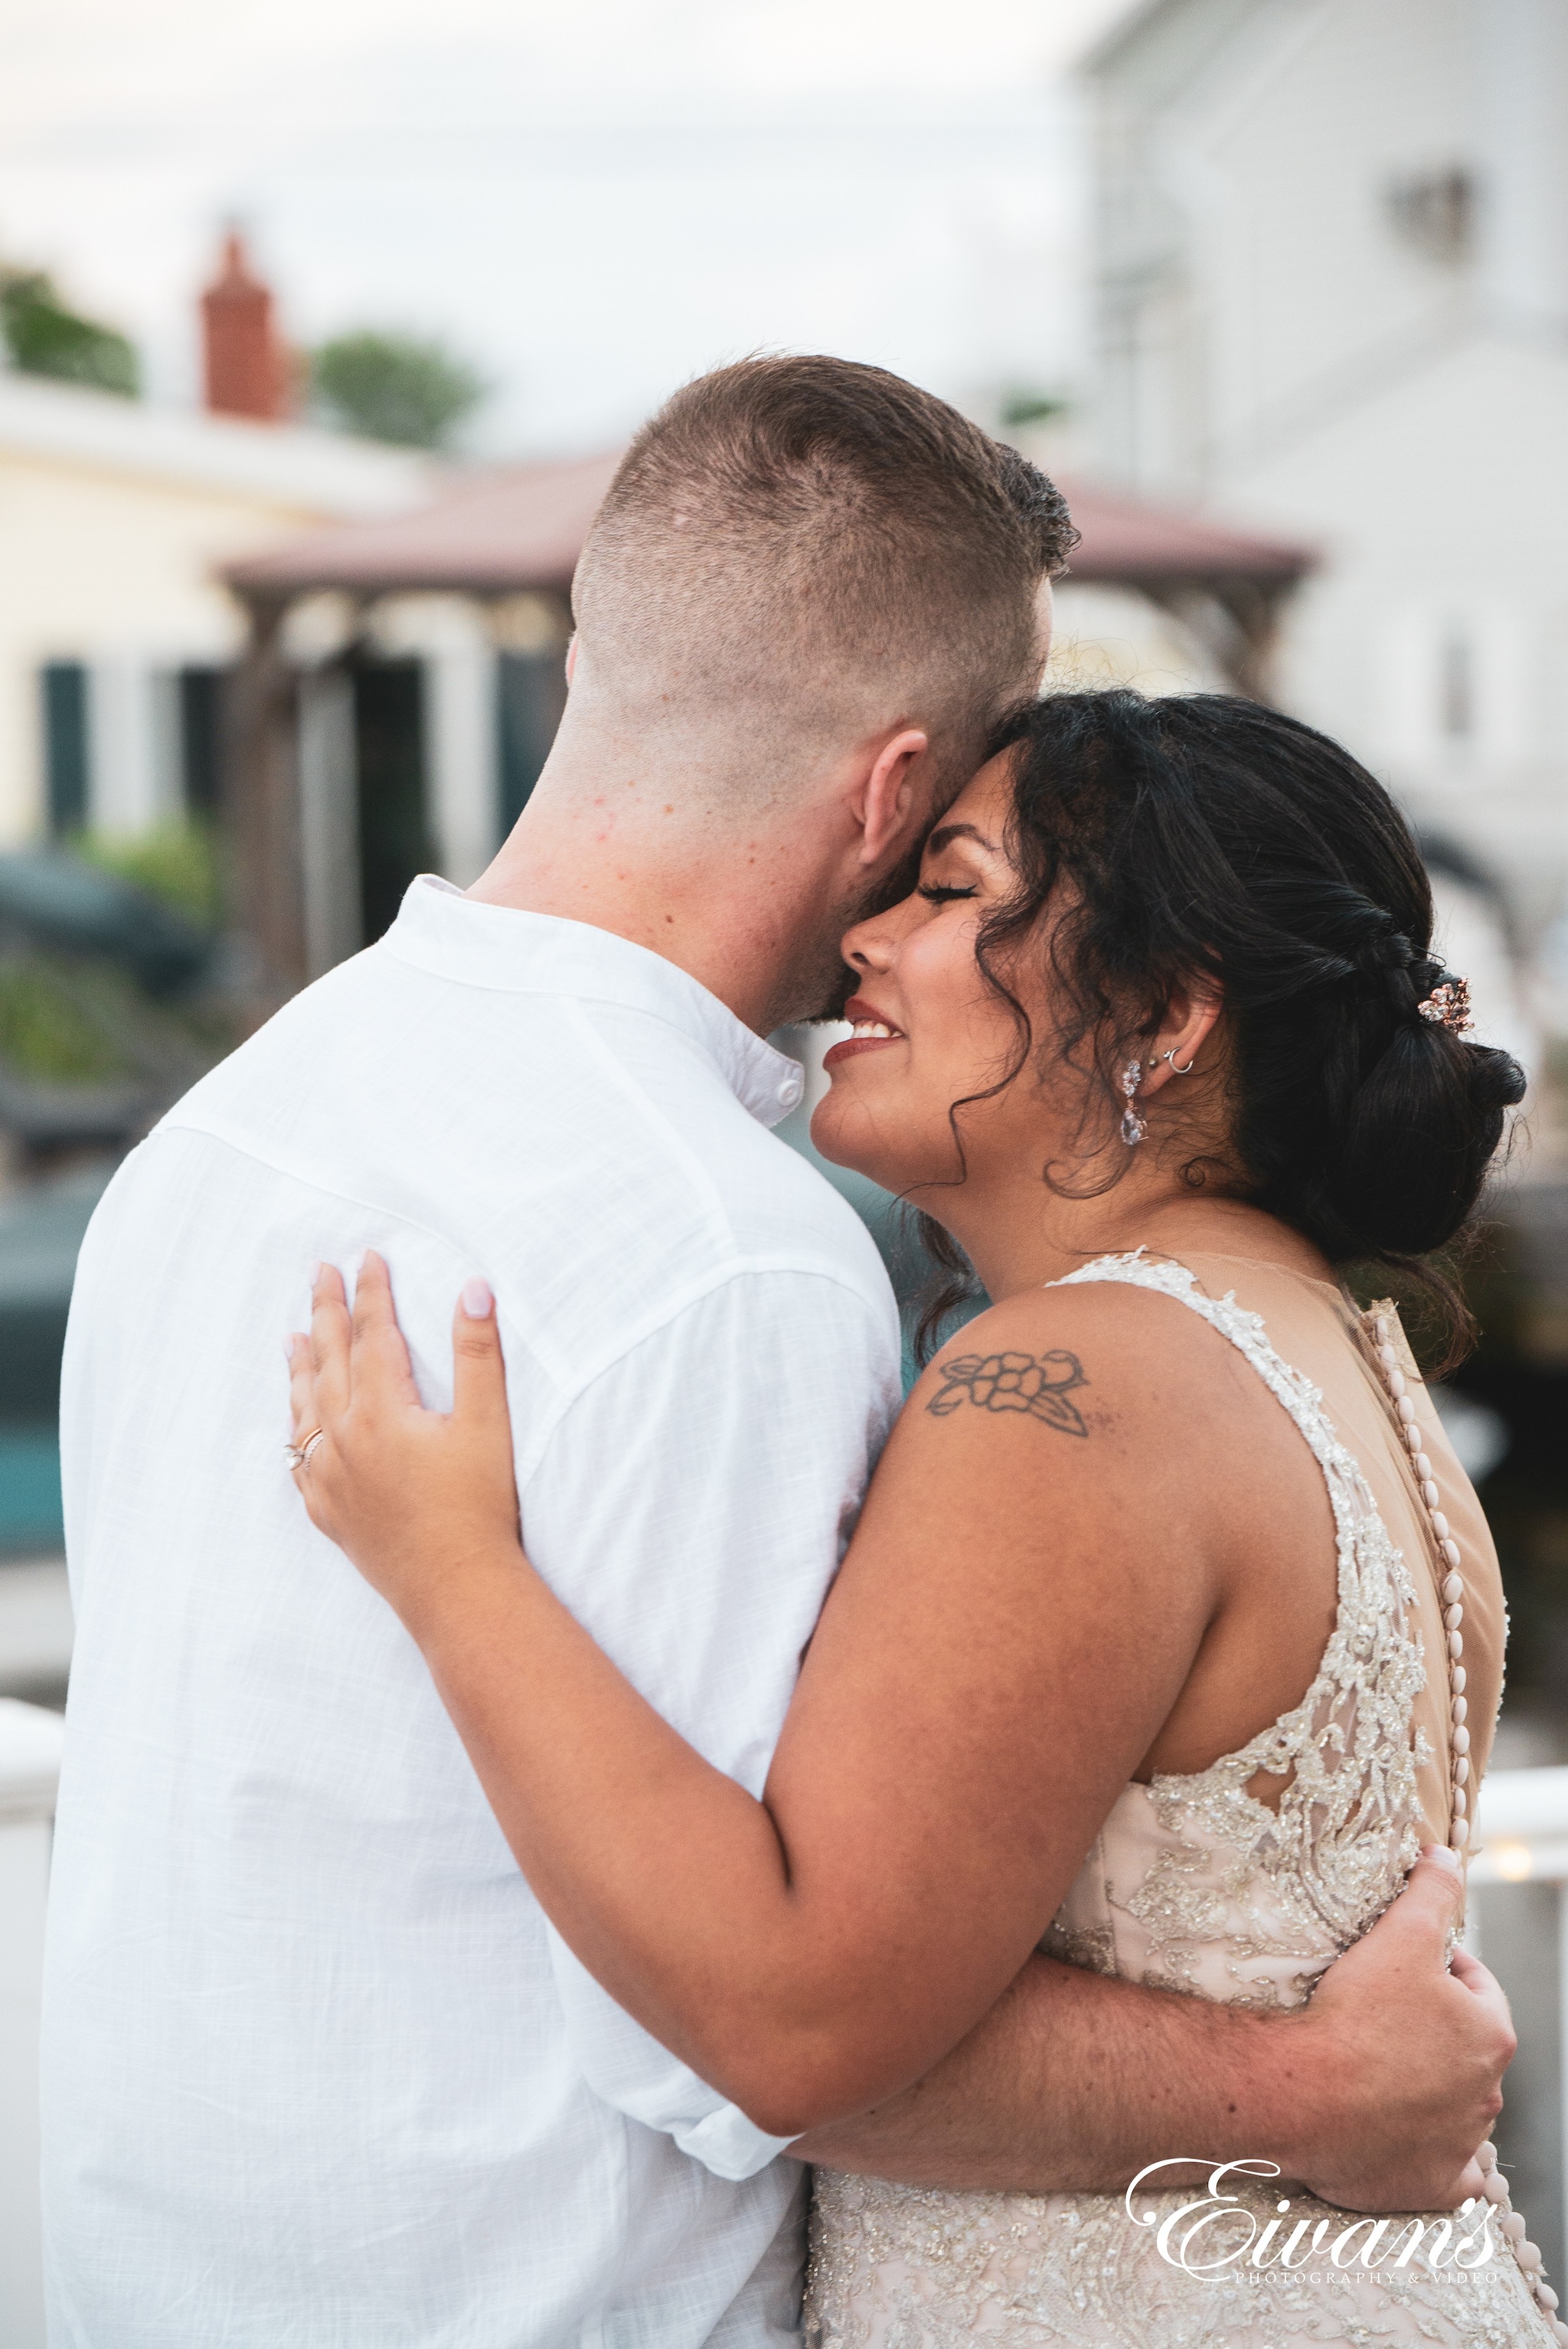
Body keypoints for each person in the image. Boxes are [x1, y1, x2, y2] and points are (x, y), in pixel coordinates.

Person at [43, 357, 1509, 2349]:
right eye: (948, 854)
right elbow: (759, 2040)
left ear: (591, 655)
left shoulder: (219, 1142)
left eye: (969, 895)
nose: (905, 919)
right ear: (897, 786)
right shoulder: (731, 1252)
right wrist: (1315, 2096)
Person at [283, 686, 1551, 2348]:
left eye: (951, 889)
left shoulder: (1075, 1388)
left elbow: (793, 2022)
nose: (864, 937)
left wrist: (451, 1568)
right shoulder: (1345, 1362)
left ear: (1164, 1018)